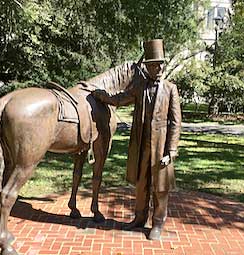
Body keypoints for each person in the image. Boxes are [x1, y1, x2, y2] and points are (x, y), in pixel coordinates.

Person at [93, 39, 181, 240]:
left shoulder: (170, 89)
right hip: (141, 145)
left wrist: (171, 150)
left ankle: (157, 223)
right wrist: (103, 96)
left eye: (160, 64)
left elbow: (176, 122)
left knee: (160, 187)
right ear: (147, 67)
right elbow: (120, 99)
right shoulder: (140, 87)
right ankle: (139, 218)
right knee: (141, 184)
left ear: (163, 66)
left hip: (160, 148)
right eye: (152, 65)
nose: (157, 68)